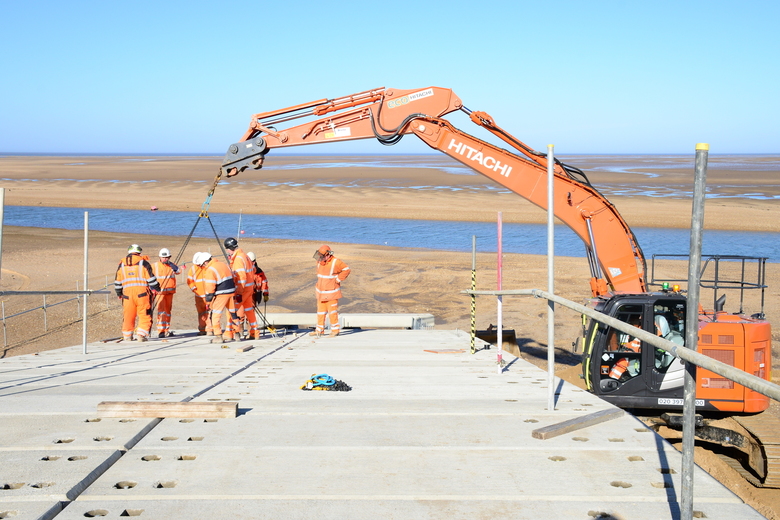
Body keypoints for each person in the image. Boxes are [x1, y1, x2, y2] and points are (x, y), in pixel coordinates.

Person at [114, 244, 161, 342]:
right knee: (144, 314)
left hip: (127, 295)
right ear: (139, 252)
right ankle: (141, 335)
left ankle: (127, 336)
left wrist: (119, 293)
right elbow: (151, 279)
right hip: (142, 294)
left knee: (128, 315)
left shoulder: (121, 264)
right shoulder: (143, 263)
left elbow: (117, 282)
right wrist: (157, 288)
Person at [224, 237, 259, 340]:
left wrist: (239, 292)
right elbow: (253, 270)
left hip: (243, 290)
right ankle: (254, 332)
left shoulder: (239, 259)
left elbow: (241, 277)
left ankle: (231, 333)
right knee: (249, 310)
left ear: (229, 248)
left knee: (231, 310)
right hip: (249, 288)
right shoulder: (245, 256)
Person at [311, 244, 350, 337]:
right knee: (320, 312)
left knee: (332, 312)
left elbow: (346, 269)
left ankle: (335, 330)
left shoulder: (336, 262)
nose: (319, 257)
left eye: (322, 255)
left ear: (328, 254)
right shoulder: (319, 262)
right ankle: (319, 330)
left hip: (331, 293)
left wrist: (338, 280)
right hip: (321, 293)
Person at [200, 252, 238, 343]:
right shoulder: (223, 264)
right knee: (233, 314)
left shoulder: (211, 269)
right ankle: (237, 334)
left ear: (205, 262)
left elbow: (210, 287)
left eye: (202, 265)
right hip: (231, 292)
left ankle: (218, 336)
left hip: (221, 294)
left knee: (215, 315)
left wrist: (208, 300)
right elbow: (233, 276)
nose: (203, 267)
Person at [152, 248, 183, 338]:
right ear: (160, 257)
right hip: (160, 292)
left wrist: (173, 265)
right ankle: (161, 330)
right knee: (161, 311)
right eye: (163, 257)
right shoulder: (155, 266)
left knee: (168, 311)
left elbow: (178, 271)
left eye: (167, 257)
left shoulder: (172, 265)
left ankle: (166, 329)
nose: (165, 259)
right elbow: (149, 277)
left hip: (169, 292)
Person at [186, 252, 211, 336]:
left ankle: (209, 329)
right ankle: (202, 329)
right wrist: (194, 289)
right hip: (199, 295)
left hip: (208, 294)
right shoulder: (193, 269)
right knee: (201, 313)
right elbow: (189, 281)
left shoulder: (207, 267)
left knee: (209, 312)